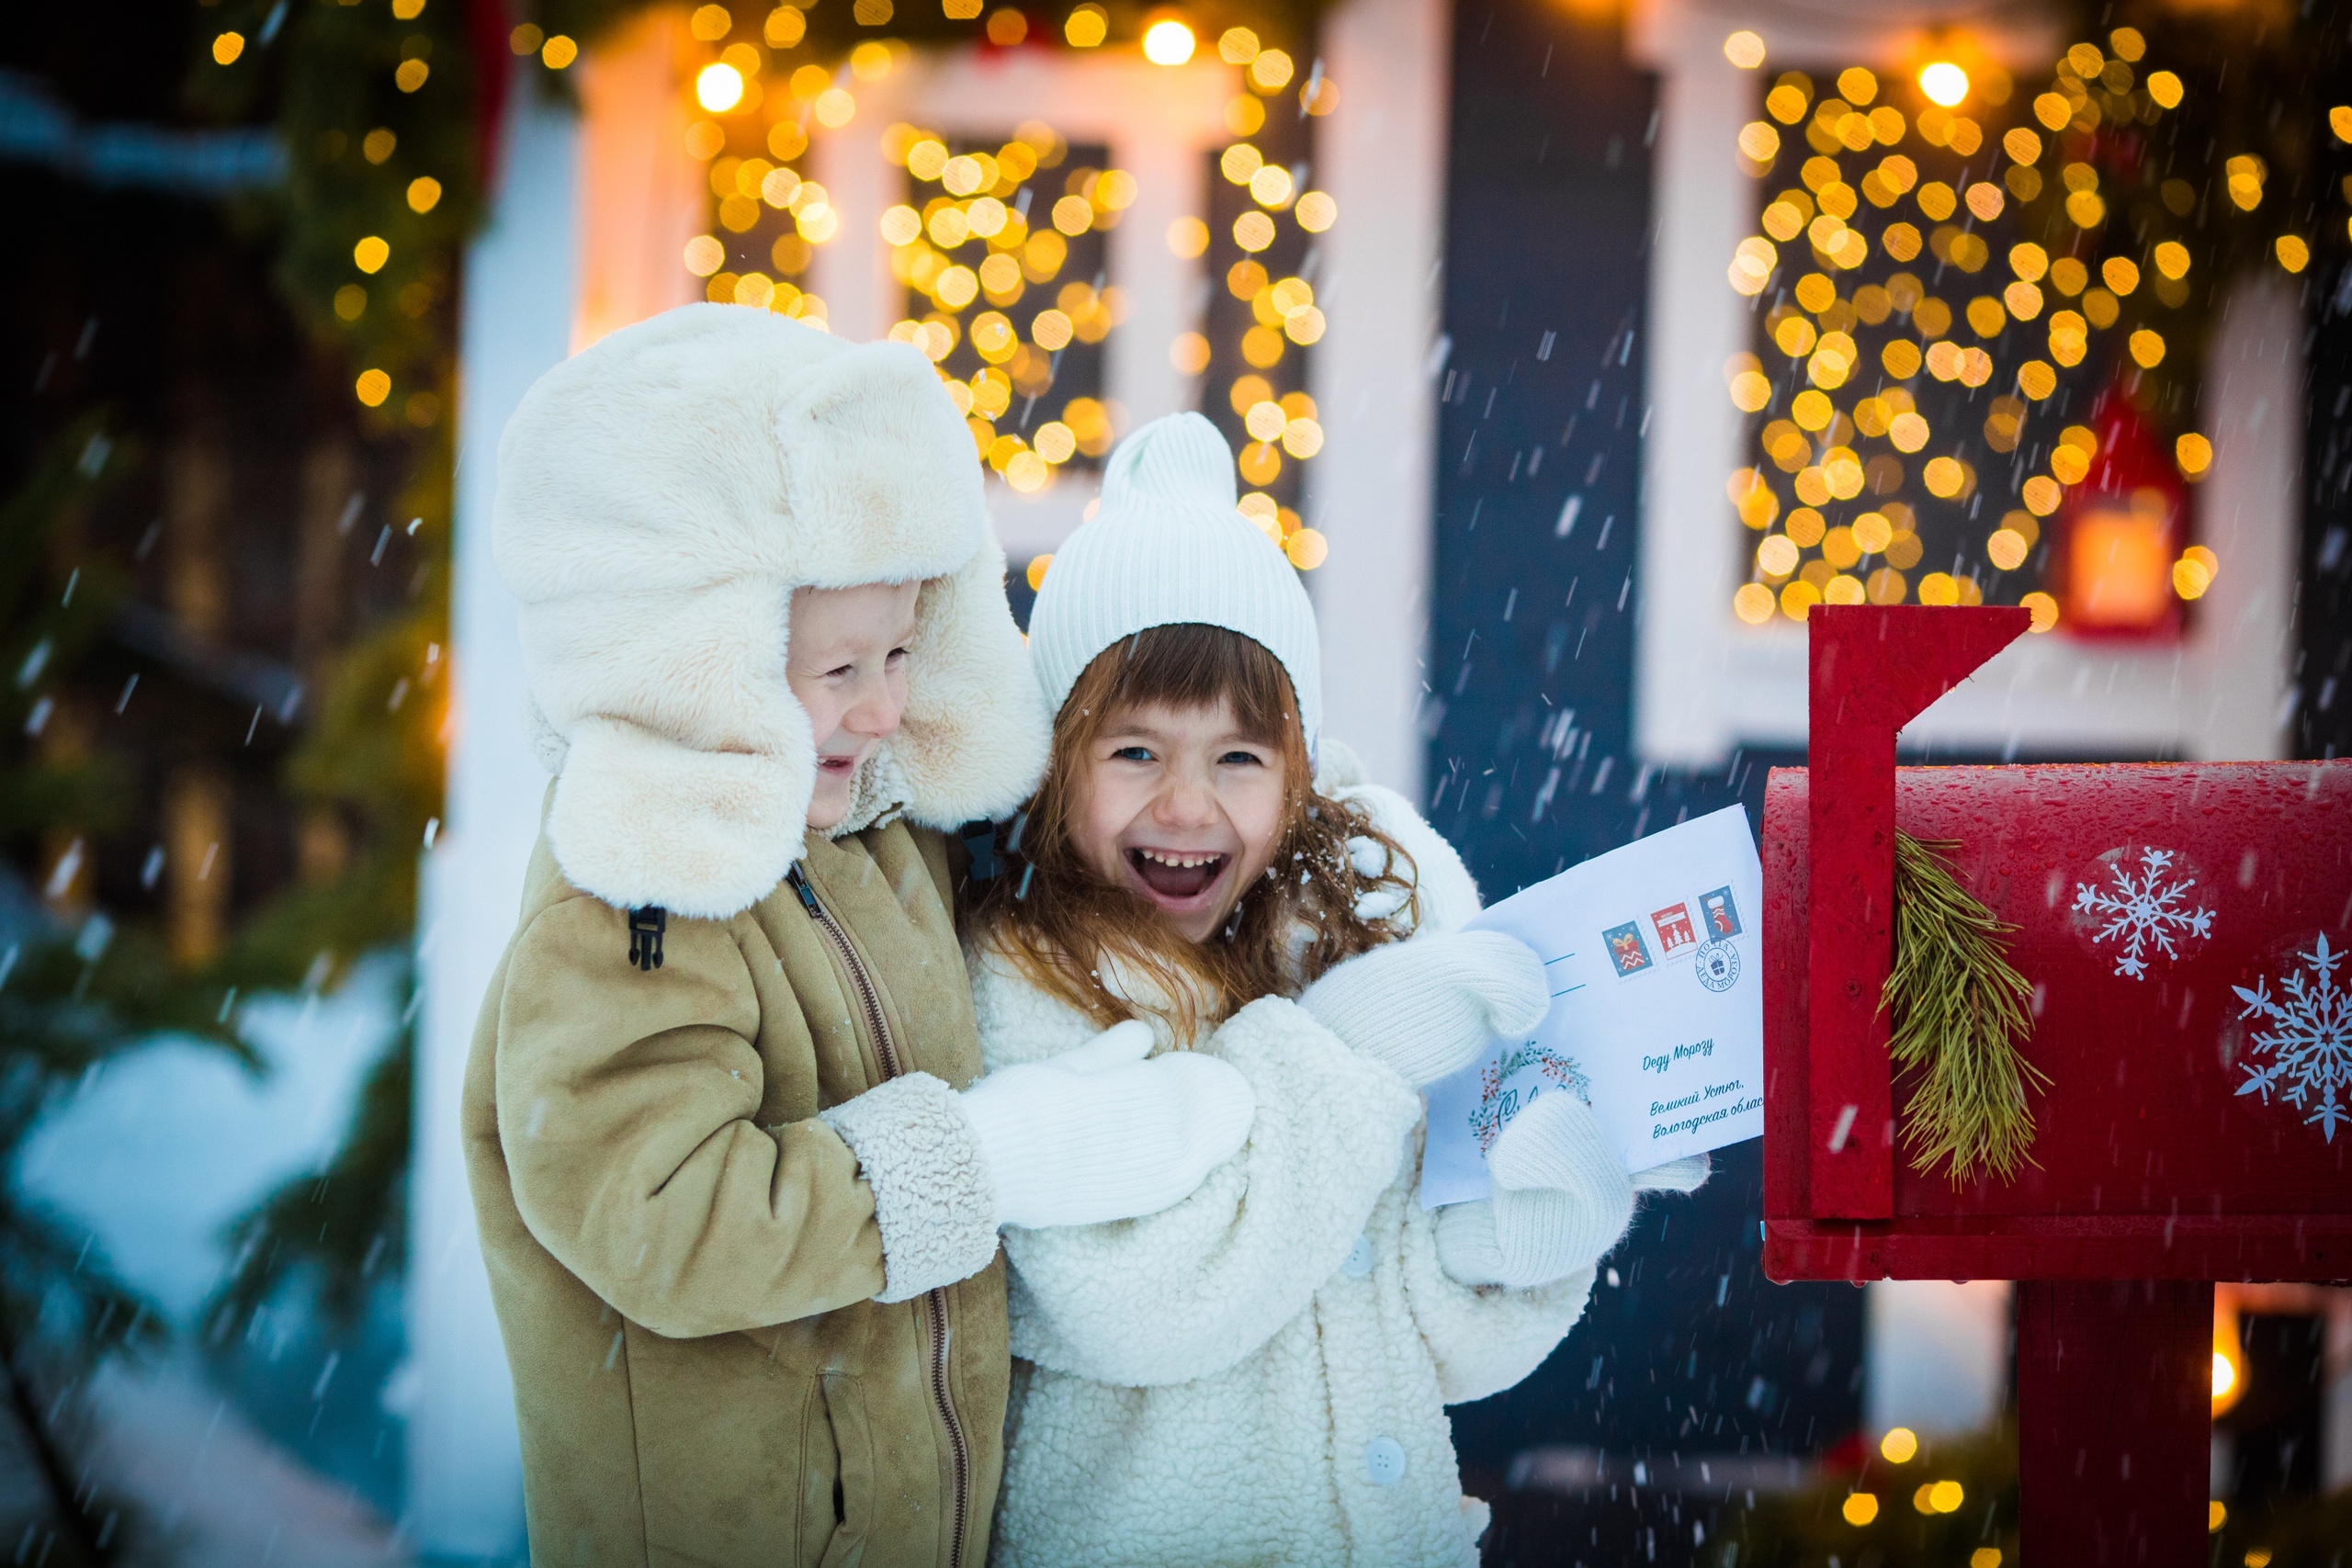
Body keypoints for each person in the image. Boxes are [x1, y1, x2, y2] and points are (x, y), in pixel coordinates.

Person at [461, 309, 1254, 1568]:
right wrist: (977, 1160)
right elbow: (660, 1217)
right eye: (840, 671)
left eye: (902, 650)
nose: (887, 706)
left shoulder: (875, 832)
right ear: (694, 666)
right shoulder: (629, 897)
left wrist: (1281, 815)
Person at [965, 412, 1709, 1567]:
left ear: (1300, 767)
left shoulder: (1358, 921)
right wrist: (1341, 1057)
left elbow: (1419, 1338)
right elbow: (1134, 1300)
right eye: (1134, 752)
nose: (1186, 804)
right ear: (1059, 762)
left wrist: (1512, 1246)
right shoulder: (1030, 976)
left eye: (1239, 758)